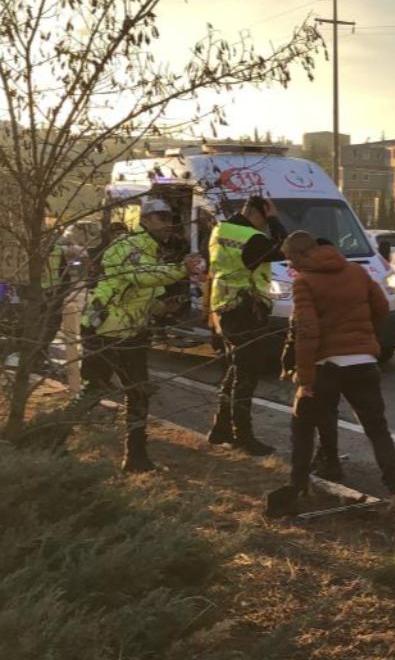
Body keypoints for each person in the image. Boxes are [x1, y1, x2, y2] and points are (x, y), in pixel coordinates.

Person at [279, 231, 395, 513]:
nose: (289, 267)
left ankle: (297, 489)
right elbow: (381, 307)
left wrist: (305, 380)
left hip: (327, 367)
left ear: (298, 256)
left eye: (288, 260)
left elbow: (307, 332)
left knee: (303, 424)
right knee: (377, 429)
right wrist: (362, 333)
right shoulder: (356, 271)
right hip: (363, 363)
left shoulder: (304, 283)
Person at [78, 199, 201, 472]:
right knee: (95, 389)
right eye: (161, 218)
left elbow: (141, 290)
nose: (168, 224)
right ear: (144, 220)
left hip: (129, 331)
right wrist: (181, 269)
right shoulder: (127, 246)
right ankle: (51, 439)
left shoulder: (150, 250)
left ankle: (135, 457)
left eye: (170, 218)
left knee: (138, 393)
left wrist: (162, 307)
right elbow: (141, 277)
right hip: (105, 330)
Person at [206, 195, 287, 456]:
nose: (265, 224)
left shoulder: (219, 230)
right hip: (246, 310)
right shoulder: (252, 237)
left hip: (224, 307)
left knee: (235, 368)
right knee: (247, 374)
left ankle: (220, 427)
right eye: (265, 217)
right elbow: (282, 248)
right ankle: (243, 434)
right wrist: (275, 219)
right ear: (257, 213)